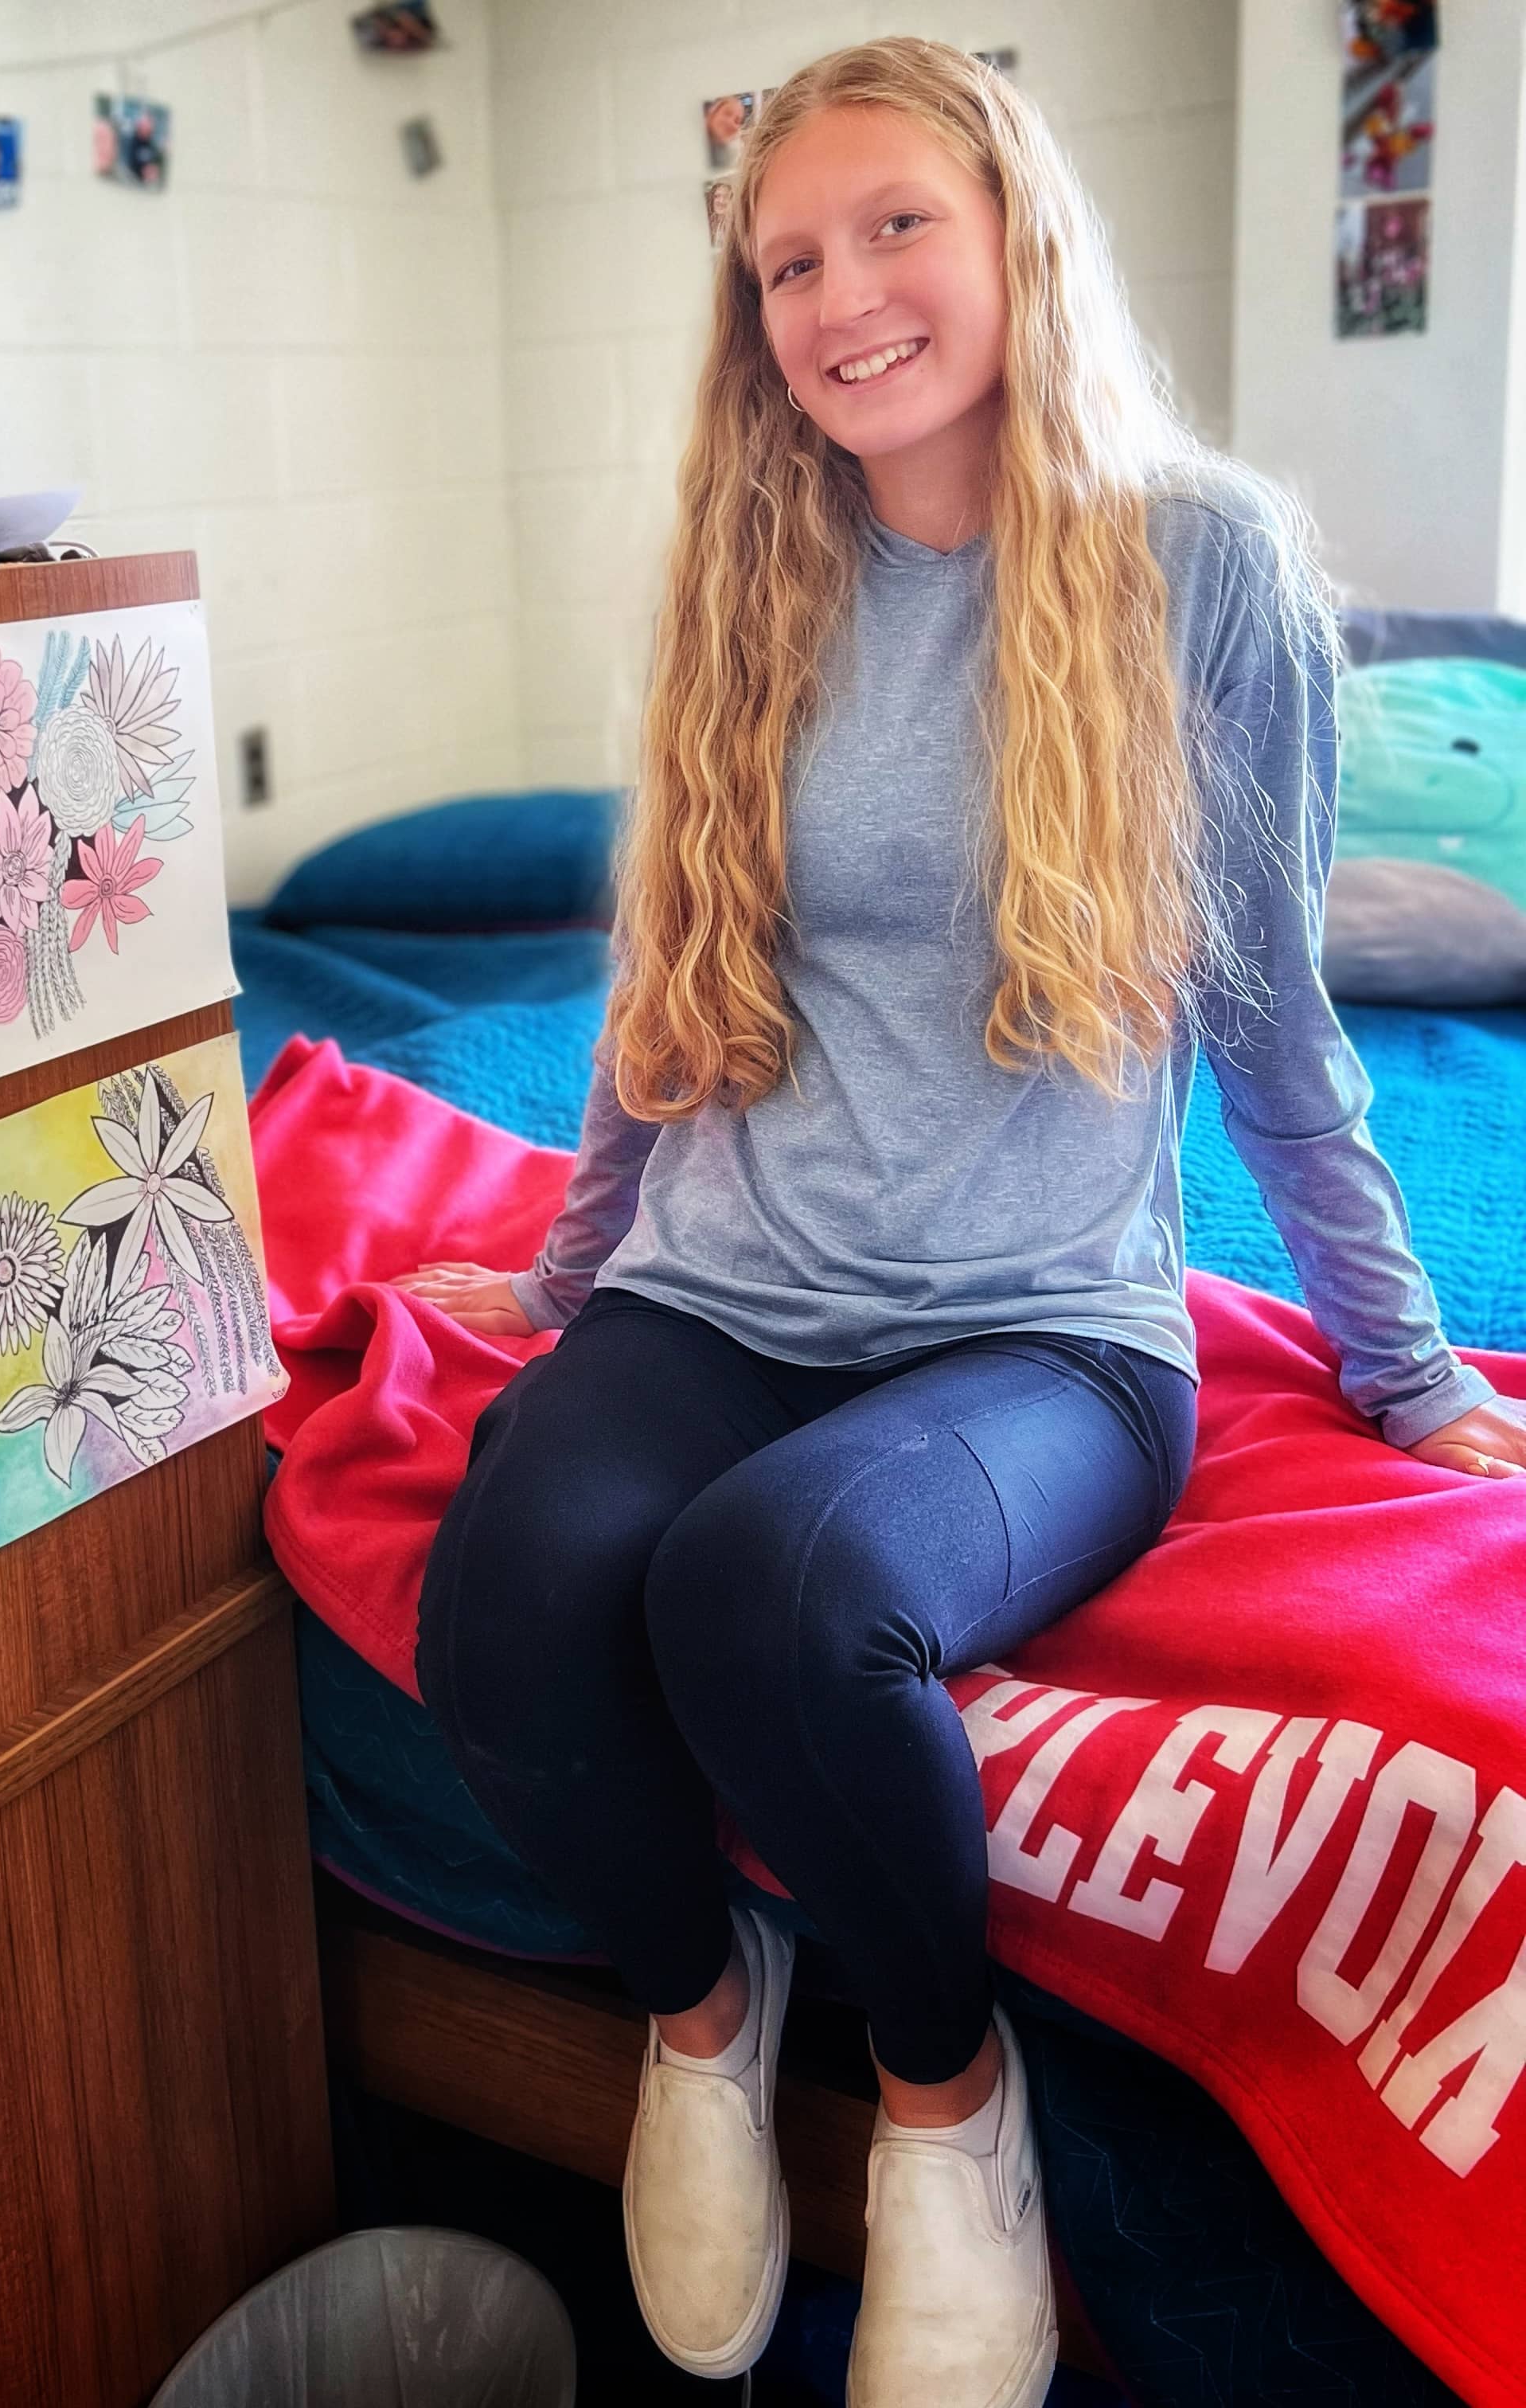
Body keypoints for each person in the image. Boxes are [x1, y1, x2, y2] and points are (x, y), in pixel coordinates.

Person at [392, 37, 1526, 2406]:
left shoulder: (1197, 560)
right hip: (730, 1283)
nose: (843, 294)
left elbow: (1278, 1023)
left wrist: (1410, 1376)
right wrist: (572, 1264)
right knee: (503, 1572)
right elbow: (660, 985)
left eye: (894, 224)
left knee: (774, 1600)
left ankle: (946, 2094)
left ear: (1012, 231)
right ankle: (705, 2015)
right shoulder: (745, 565)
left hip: (1044, 1334)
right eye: (788, 257)